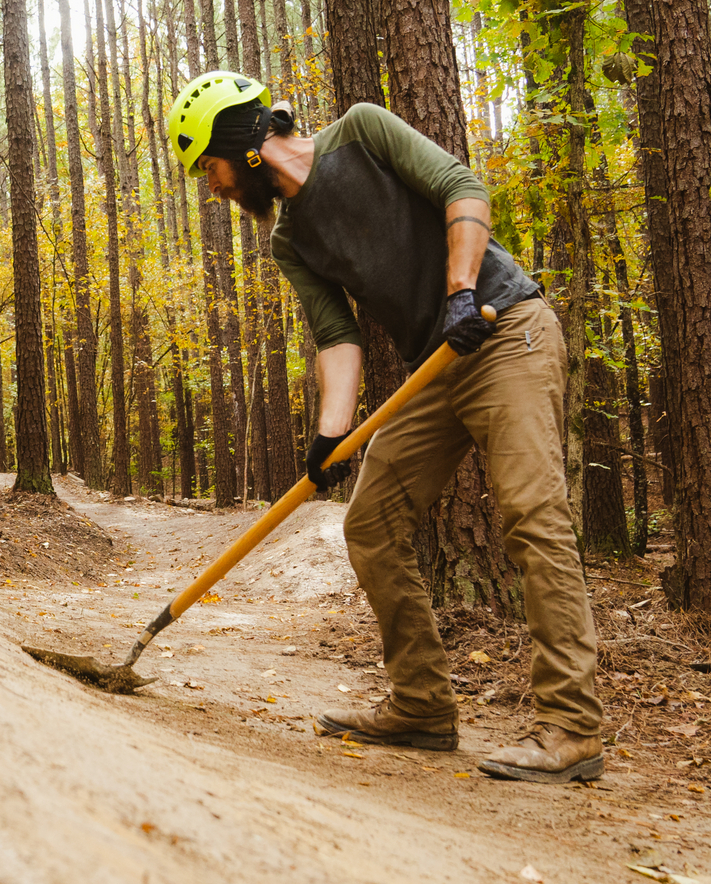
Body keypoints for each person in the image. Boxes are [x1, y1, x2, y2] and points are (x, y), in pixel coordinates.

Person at [166, 71, 603, 784]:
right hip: (436, 368)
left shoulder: (361, 133)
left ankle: (573, 727)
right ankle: (423, 705)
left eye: (208, 167)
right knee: (369, 524)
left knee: (532, 514)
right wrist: (329, 435)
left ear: (241, 144)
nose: (211, 187)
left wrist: (462, 290)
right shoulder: (290, 241)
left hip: (504, 328)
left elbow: (462, 187)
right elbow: (338, 338)